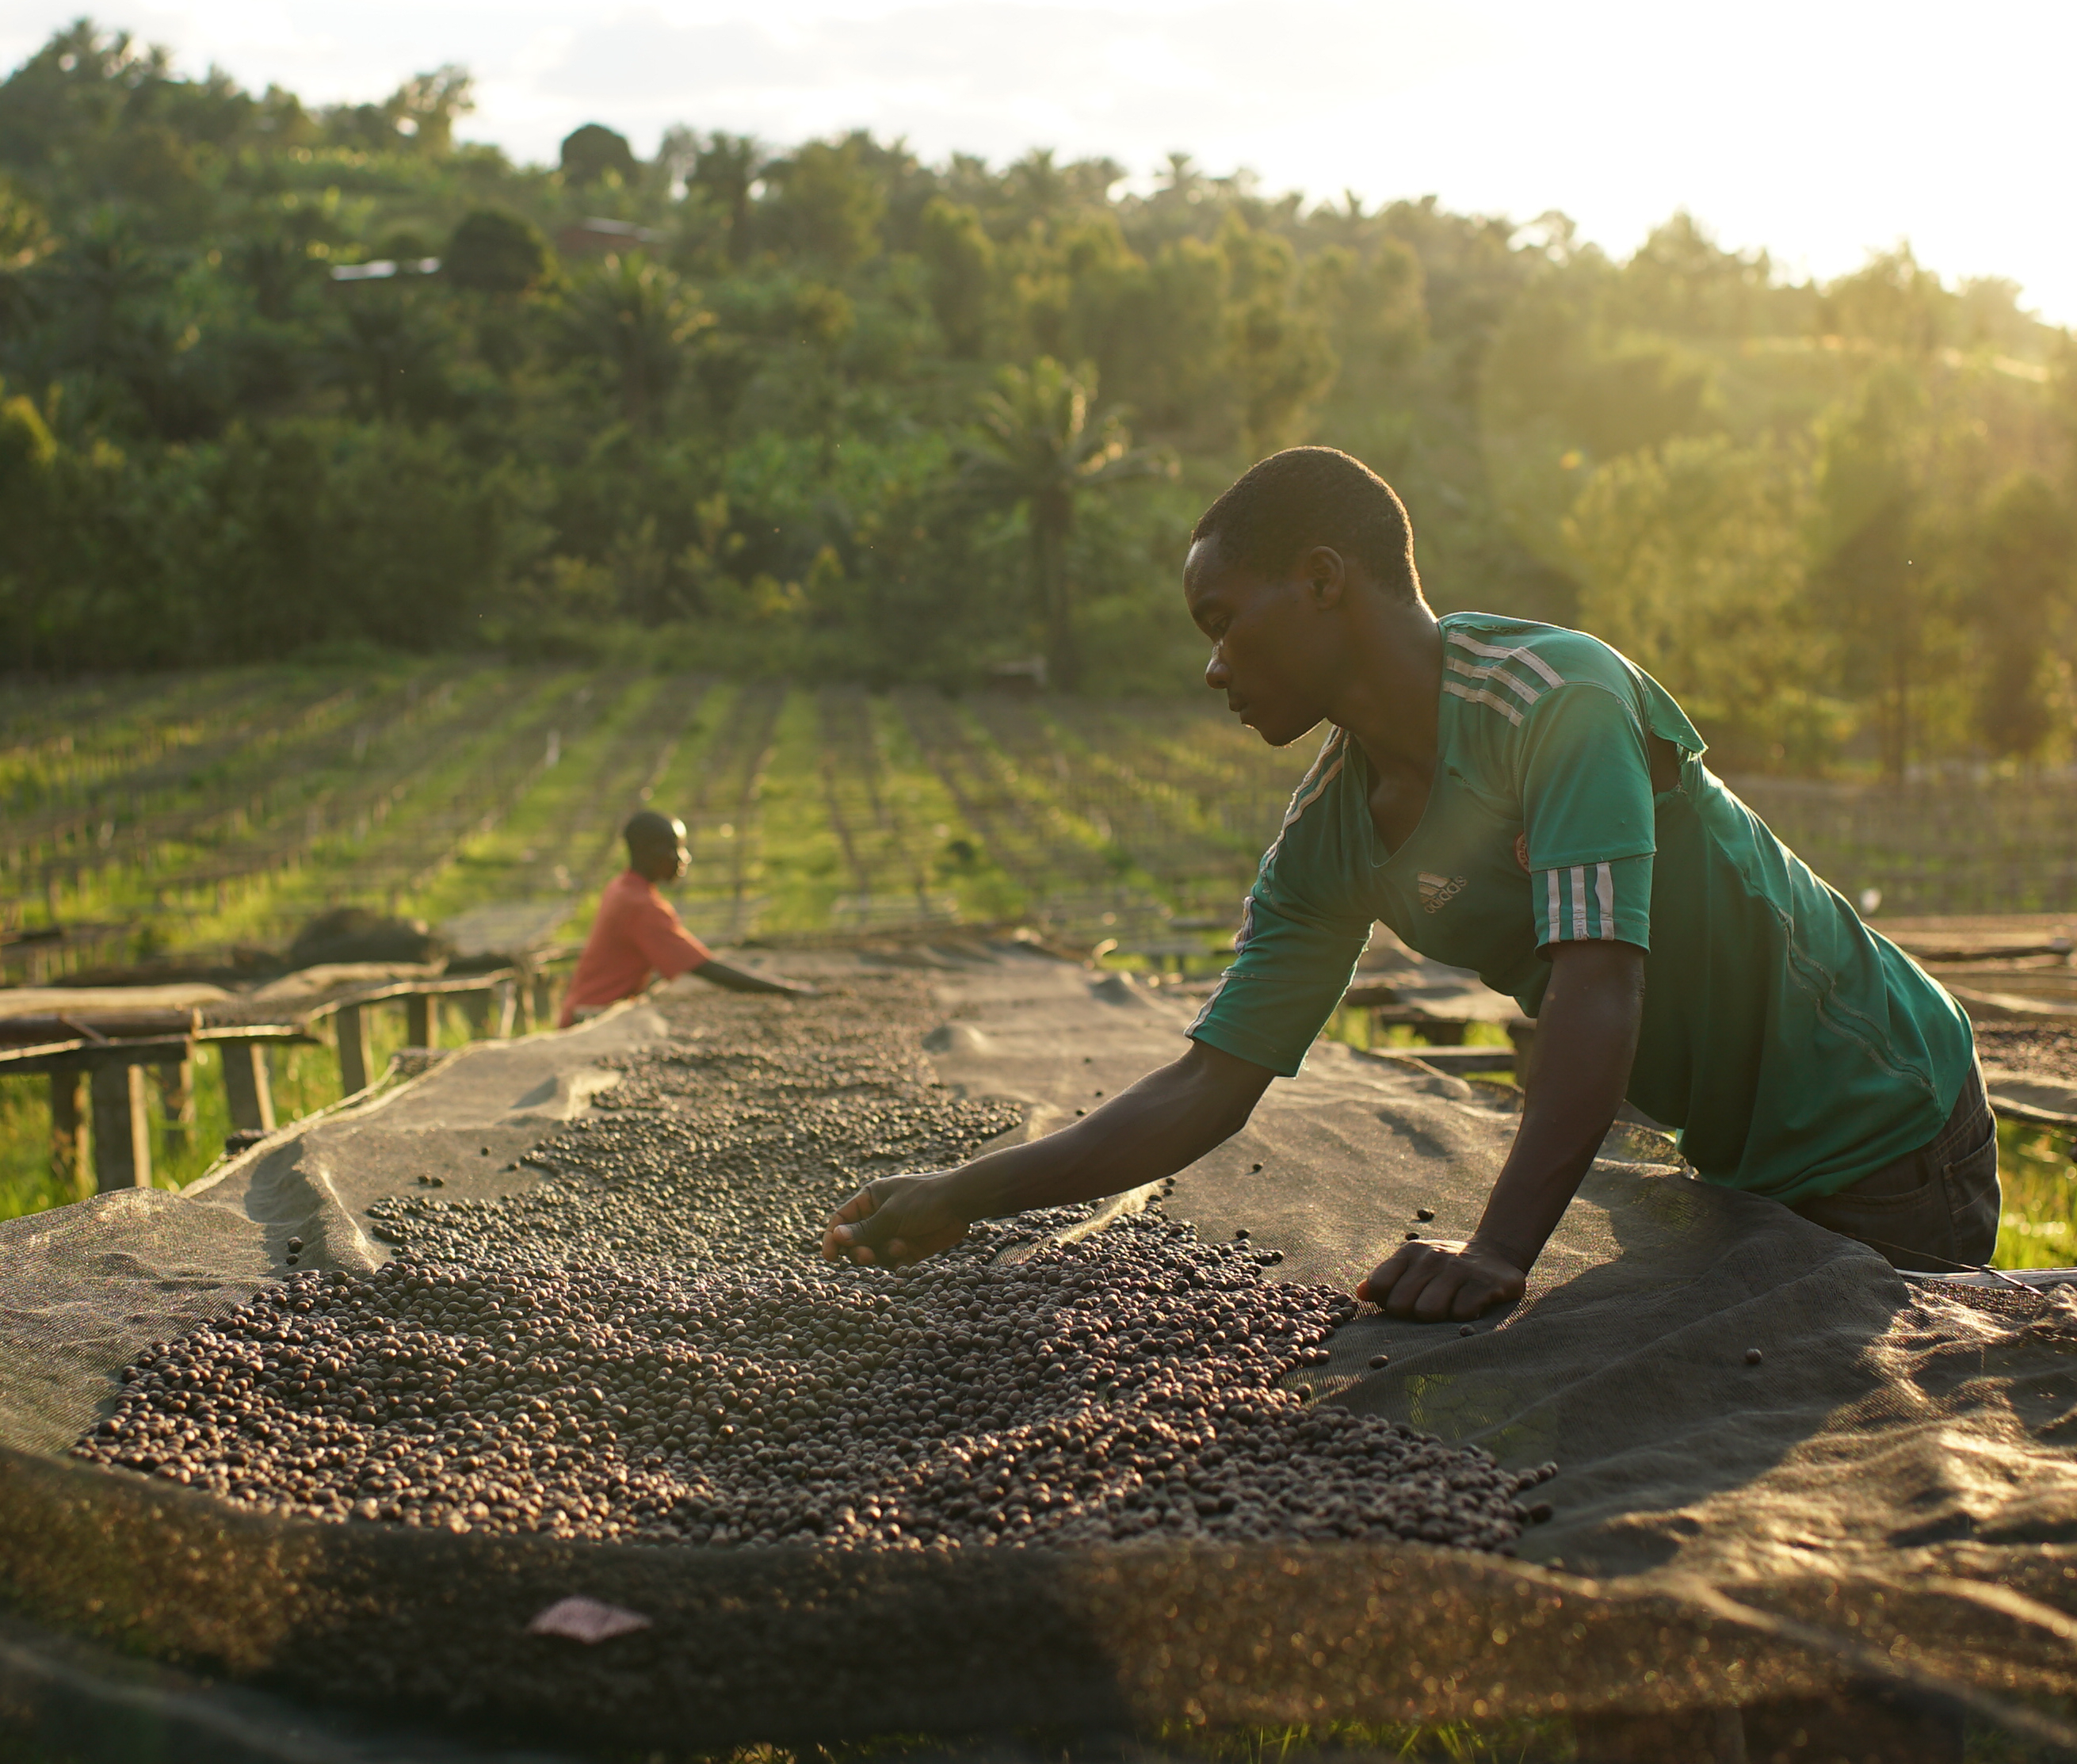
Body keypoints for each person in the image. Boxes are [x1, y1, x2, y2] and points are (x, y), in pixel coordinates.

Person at [822, 447, 1992, 1317]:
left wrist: (1495, 1254)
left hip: (1885, 1123)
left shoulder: (1555, 702)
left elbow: (1600, 990)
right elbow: (1205, 1087)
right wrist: (967, 1193)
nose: (1213, 667)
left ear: (1325, 580)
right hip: (1741, 1150)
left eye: (1224, 622)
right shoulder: (1329, 837)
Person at [559, 811, 813, 1022]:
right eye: (676, 849)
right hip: (591, 1014)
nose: (684, 858)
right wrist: (789, 990)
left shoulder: (622, 887)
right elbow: (704, 967)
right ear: (651, 853)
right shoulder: (640, 905)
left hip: (581, 1006)